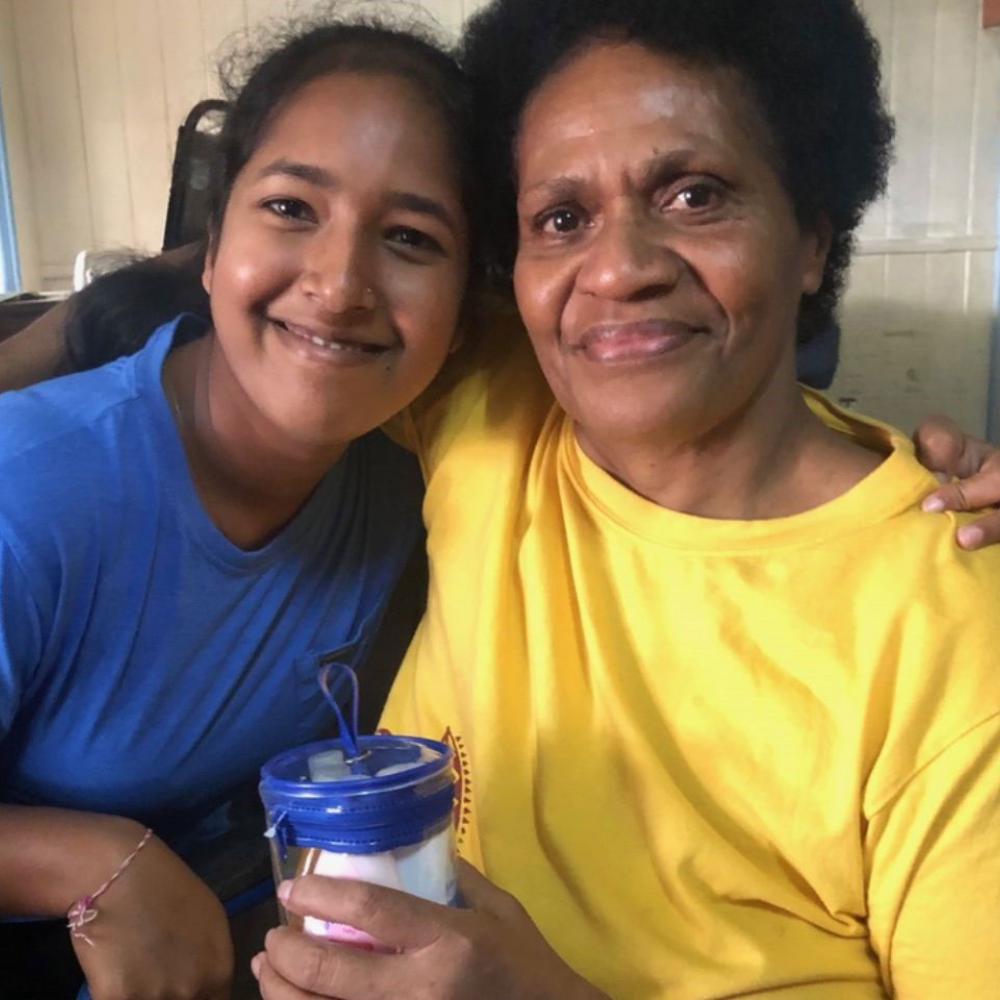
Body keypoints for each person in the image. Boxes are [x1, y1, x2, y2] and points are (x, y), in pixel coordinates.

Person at [254, 1, 1000, 998]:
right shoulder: (487, 401)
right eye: (560, 220)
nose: (616, 269)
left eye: (694, 195)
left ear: (811, 239)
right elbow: (273, 290)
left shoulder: (955, 615)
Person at [0, 13, 479, 999]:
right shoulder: (37, 487)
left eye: (408, 237)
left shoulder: (418, 487)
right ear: (211, 250)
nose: (340, 284)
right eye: (292, 208)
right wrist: (88, 860)